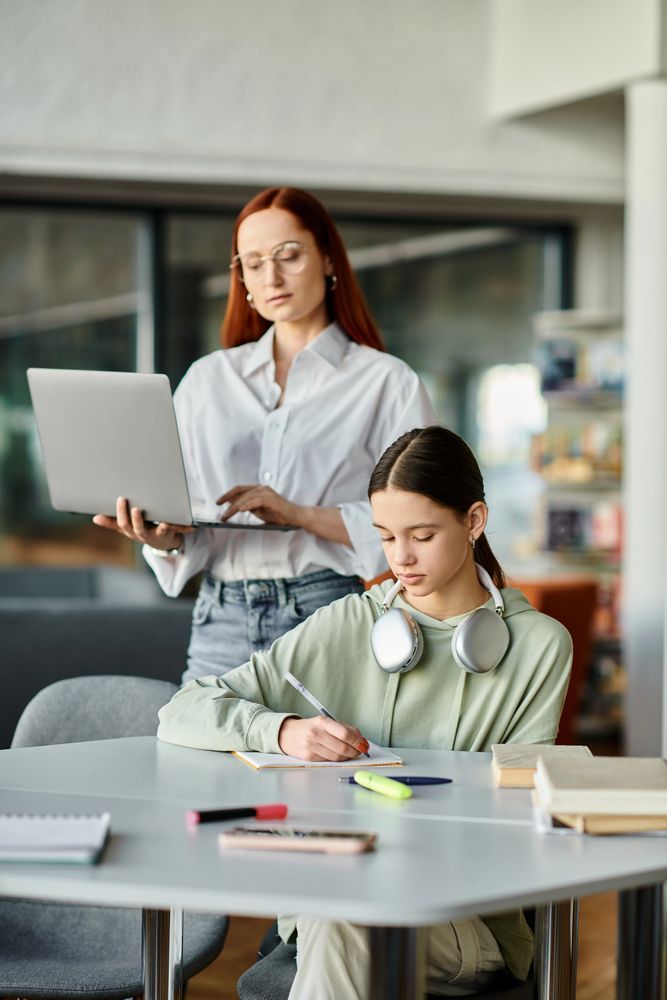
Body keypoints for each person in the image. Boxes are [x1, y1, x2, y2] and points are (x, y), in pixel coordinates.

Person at [157, 425, 573, 999]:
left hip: (458, 917)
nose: (400, 558)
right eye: (385, 536)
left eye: (422, 535)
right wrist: (281, 731)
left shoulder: (540, 646)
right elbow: (182, 708)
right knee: (345, 905)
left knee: (345, 911)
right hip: (336, 894)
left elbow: (524, 813)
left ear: (473, 521)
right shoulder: (351, 623)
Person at [93, 187, 436, 685]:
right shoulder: (208, 380)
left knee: (322, 764)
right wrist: (161, 537)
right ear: (243, 280)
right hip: (220, 618)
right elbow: (184, 508)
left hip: (327, 615)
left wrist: (299, 514)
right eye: (252, 263)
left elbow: (421, 515)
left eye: (288, 256)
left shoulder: (385, 381)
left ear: (327, 259)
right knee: (201, 760)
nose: (271, 276)